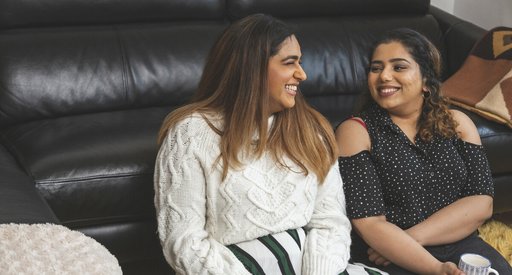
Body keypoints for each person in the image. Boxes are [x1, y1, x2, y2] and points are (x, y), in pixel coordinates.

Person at [154, 14, 354, 275]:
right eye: (289, 62)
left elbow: (331, 223)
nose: (302, 74)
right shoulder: (191, 133)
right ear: (253, 67)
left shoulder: (312, 130)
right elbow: (183, 242)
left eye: (300, 62)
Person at [336, 28, 512, 275]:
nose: (384, 76)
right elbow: (370, 223)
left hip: (455, 242)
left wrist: (413, 237)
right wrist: (438, 269)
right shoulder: (355, 131)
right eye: (376, 68)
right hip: (389, 254)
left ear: (427, 82)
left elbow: (482, 202)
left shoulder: (458, 123)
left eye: (398, 67)